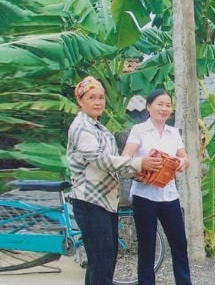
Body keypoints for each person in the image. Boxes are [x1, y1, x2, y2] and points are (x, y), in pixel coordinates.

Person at [67, 76, 162, 285]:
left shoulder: (98, 127)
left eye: (101, 97)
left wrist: (138, 172)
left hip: (106, 201)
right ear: (80, 101)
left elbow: (114, 165)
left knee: (103, 260)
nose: (98, 102)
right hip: (90, 201)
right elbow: (101, 160)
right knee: (102, 261)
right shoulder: (81, 127)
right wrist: (138, 164)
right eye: (92, 97)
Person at [121, 89, 192, 285]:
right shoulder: (139, 131)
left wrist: (181, 163)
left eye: (168, 105)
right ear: (148, 107)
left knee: (179, 243)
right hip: (144, 196)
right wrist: (142, 163)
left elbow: (185, 158)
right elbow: (126, 157)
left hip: (169, 195)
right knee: (147, 246)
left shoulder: (173, 132)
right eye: (160, 104)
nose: (164, 108)